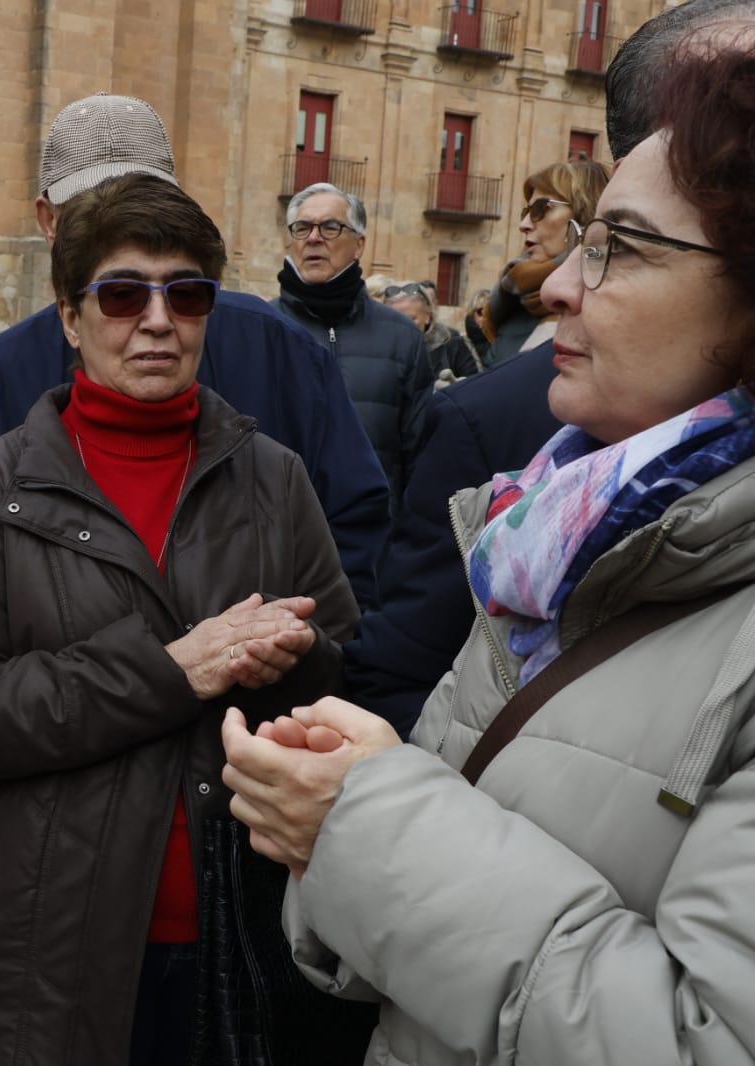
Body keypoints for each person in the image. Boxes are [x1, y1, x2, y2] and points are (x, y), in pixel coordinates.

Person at [222, 39, 755, 1064]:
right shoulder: (545, 541)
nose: (553, 285)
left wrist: (365, 825)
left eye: (621, 247)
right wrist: (330, 828)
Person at [0, 173, 373, 1066]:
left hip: (244, 925)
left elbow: (339, 667)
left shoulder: (272, 476)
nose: (157, 320)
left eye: (187, 294)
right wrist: (172, 670)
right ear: (71, 318)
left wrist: (299, 655)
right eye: (123, 294)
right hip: (47, 932)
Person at [0, 92, 390, 609]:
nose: (117, 224)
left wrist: (303, 647)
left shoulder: (285, 353)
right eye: (89, 210)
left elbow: (353, 531)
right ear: (48, 220)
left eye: (138, 199)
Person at [274, 183, 434, 515]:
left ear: (359, 244)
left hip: (374, 546)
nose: (314, 238)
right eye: (302, 227)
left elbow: (420, 455)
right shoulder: (261, 328)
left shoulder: (402, 336)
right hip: (278, 542)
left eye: (330, 227)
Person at [480, 159, 611, 365]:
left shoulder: (611, 305)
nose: (524, 225)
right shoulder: (514, 301)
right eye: (527, 212)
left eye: (541, 208)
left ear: (586, 213)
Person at [384, 281, 480, 385]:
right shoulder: (375, 349)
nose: (402, 326)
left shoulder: (451, 345)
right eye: (394, 319)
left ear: (428, 316)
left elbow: (475, 386)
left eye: (411, 319)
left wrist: (454, 390)